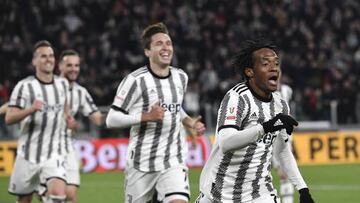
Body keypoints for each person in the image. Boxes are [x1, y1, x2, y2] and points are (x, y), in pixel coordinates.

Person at [196, 38, 315, 203]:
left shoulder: (281, 104)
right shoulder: (237, 98)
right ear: (250, 72)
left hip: (259, 193)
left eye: (276, 63)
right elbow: (226, 142)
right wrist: (266, 127)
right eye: (266, 64)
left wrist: (302, 188)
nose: (274, 67)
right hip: (219, 192)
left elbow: (282, 150)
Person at [106, 22, 205, 203]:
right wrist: (146, 117)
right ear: (147, 51)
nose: (166, 47)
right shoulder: (135, 81)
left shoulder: (181, 77)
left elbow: (175, 107)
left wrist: (189, 121)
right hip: (141, 164)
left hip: (173, 160)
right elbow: (111, 119)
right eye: (159, 43)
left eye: (168, 43)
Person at [6, 40, 76, 203]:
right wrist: (30, 109)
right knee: (24, 200)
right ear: (34, 61)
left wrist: (68, 119)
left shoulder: (62, 84)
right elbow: (9, 118)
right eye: (43, 56)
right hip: (28, 154)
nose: (48, 59)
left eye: (51, 56)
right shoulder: (24, 86)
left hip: (54, 152)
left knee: (58, 193)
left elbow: (65, 108)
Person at [37, 49, 104, 203]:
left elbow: (98, 119)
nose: (74, 69)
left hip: (68, 146)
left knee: (71, 195)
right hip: (47, 147)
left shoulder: (81, 92)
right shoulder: (45, 86)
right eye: (69, 65)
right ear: (60, 66)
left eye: (76, 65)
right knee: (53, 195)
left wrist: (125, 114)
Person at [273, 81, 295, 203]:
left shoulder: (287, 89)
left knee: (283, 174)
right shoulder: (260, 90)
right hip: (262, 136)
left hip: (281, 136)